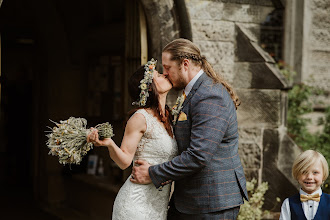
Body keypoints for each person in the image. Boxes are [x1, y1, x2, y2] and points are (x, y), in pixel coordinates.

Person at [131, 38, 248, 219]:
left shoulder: (210, 95)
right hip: (190, 200)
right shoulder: (192, 92)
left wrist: (153, 173)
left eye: (168, 67)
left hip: (211, 202)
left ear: (185, 64)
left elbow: (198, 154)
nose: (166, 73)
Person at [87, 58, 178, 220]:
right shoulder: (140, 118)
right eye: (158, 75)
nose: (164, 75)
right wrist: (109, 143)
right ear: (150, 88)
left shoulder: (170, 118)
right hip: (135, 206)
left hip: (159, 208)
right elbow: (124, 161)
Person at [279, 150, 330, 220]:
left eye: (315, 172)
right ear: (297, 175)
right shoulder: (288, 204)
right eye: (304, 172)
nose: (309, 177)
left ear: (323, 175)